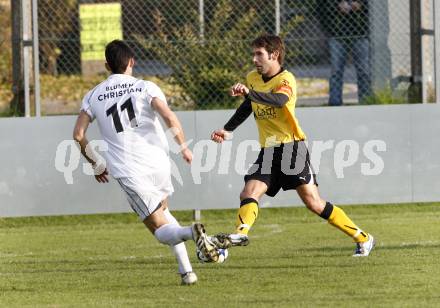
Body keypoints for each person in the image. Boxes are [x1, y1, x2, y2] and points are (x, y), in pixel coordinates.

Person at [209, 34, 375, 257]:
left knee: (314, 203)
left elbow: (279, 100)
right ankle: (239, 233)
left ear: (274, 55)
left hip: (291, 148)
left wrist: (250, 93)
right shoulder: (253, 78)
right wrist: (228, 130)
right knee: (249, 191)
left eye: (259, 54)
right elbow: (248, 106)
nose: (254, 59)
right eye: (253, 54)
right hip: (268, 149)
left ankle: (363, 238)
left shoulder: (286, 79)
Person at [73, 40, 218, 285]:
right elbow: (167, 115)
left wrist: (95, 163)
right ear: (132, 62)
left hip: (130, 170)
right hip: (158, 162)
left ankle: (191, 232)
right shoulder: (145, 87)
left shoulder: (93, 95)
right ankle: (187, 272)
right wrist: (183, 146)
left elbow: (78, 135)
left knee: (159, 230)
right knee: (164, 213)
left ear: (107, 65)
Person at [317, 0, 372, 106]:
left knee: (363, 70)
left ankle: (366, 102)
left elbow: (372, 6)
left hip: (361, 33)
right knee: (336, 71)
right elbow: (322, 7)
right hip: (337, 35)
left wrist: (360, 5)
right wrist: (337, 6)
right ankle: (335, 102)